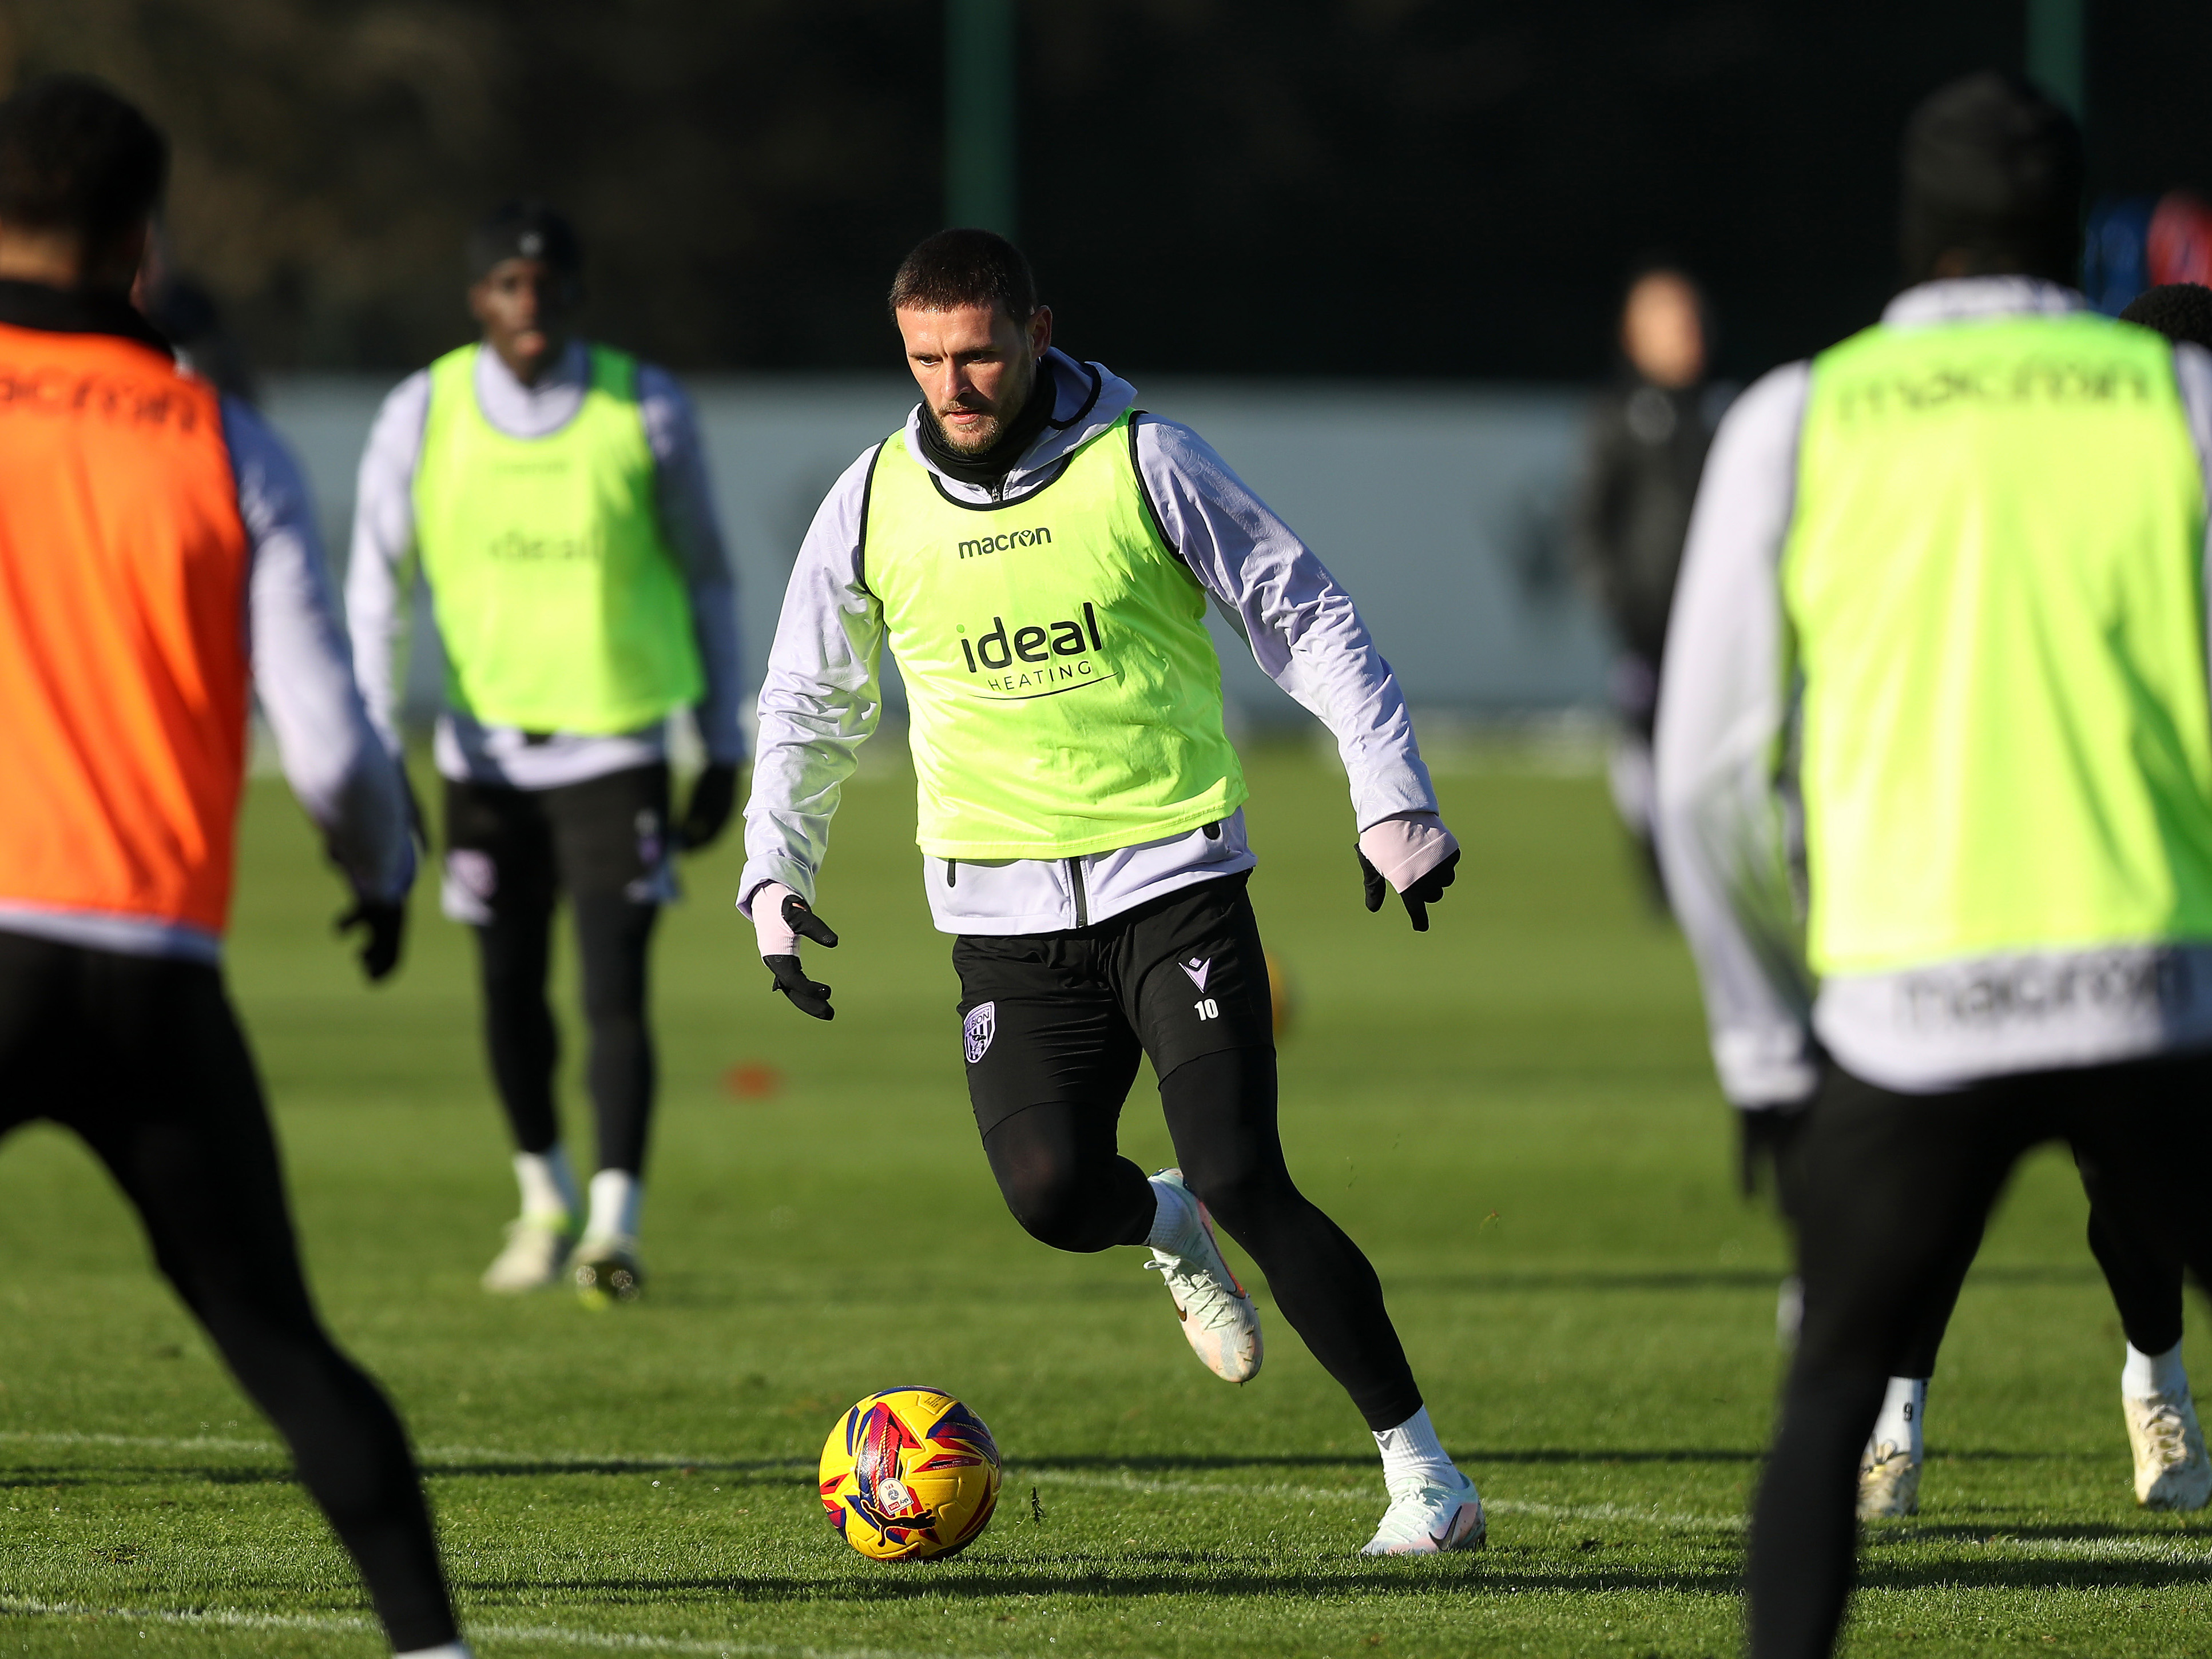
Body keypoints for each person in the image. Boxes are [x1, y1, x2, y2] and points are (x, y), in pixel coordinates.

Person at [738, 229, 1479, 1555]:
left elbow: (1300, 610)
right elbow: (808, 696)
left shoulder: (1145, 460)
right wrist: (772, 873)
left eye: (975, 353)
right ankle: (1161, 1223)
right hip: (1001, 915)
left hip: (1173, 877)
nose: (952, 385)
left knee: (1248, 1169)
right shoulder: (868, 501)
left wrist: (1393, 797)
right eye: (925, 359)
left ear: (1034, 332)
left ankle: (1423, 1472)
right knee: (1046, 1192)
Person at [1657, 71, 2212, 1657]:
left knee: (1827, 1402)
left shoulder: (1797, 413)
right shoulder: (2173, 400)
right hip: (2154, 990)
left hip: (1904, 1005)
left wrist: (1767, 1049)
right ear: (2072, 226)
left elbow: (1705, 777)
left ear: (1913, 225)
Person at [0, 75, 467, 1659]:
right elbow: (332, 749)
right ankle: (432, 1643)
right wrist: (382, 872)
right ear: (143, 242)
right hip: (149, 967)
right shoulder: (221, 438)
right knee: (279, 1341)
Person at [1822, 277, 2212, 1526]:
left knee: (2132, 1192)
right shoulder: (2048, 515)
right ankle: (1890, 1420)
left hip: (2150, 901)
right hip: (1990, 881)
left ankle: (2154, 1381)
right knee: (1933, 1193)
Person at [347, 201, 745, 1304]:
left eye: (545, 283)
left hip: (616, 744)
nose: (527, 304)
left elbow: (709, 571)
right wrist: (378, 749)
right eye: (506, 285)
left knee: (615, 991)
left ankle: (612, 1225)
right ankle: (541, 1199)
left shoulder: (645, 406)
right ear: (478, 298)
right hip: (482, 760)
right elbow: (375, 591)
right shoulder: (420, 413)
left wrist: (718, 739)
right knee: (506, 991)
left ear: (573, 292)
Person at [1566, 262, 1730, 908]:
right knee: (1649, 749)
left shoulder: (1728, 411)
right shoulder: (1618, 417)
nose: (1686, 332)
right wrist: (1618, 601)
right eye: (1667, 320)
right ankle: (1661, 872)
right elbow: (1590, 523)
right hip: (1650, 626)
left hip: (1722, 625)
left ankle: (1725, 870)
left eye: (1691, 318)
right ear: (1634, 336)